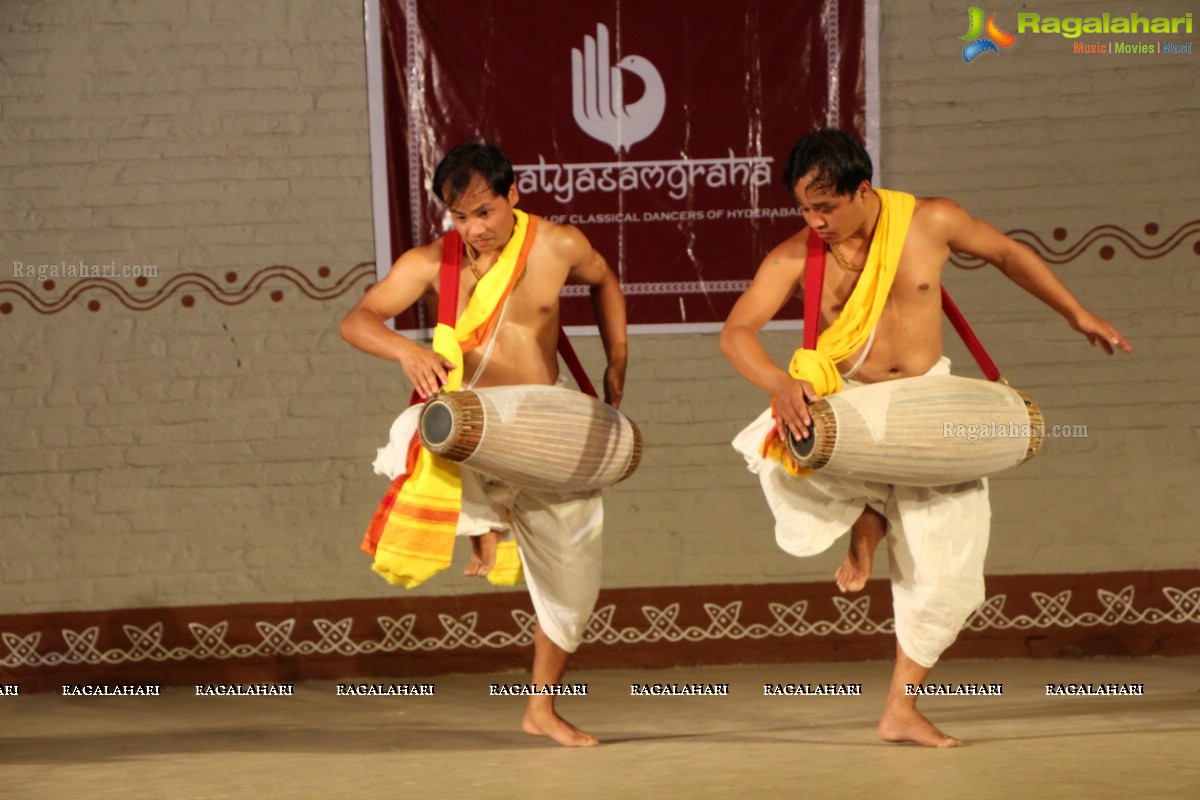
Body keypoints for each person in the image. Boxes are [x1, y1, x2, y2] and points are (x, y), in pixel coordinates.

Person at [719, 128, 1130, 748]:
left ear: (863, 190)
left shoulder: (930, 221)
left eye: (825, 206)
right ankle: (868, 510)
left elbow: (1009, 255)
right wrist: (779, 383)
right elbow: (737, 331)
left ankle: (900, 708)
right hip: (851, 406)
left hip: (931, 408)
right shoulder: (792, 258)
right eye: (804, 208)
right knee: (780, 453)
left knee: (952, 577)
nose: (815, 221)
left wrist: (1077, 313)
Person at [340, 140, 628, 747]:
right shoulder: (430, 264)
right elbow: (358, 319)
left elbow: (604, 281)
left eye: (484, 213)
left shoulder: (558, 245)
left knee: (576, 582)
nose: (473, 229)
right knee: (416, 432)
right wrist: (408, 349)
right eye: (460, 217)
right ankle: (482, 519)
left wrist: (617, 359)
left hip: (544, 428)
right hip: (470, 422)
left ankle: (540, 707)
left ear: (513, 195)